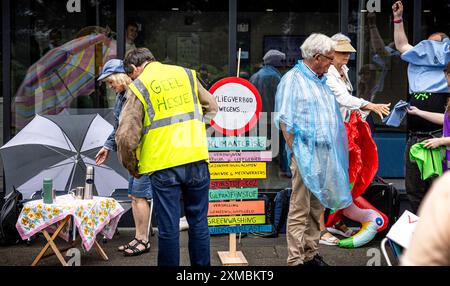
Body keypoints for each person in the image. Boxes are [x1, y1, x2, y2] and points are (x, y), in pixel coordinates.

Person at [116, 47, 218, 266]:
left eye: (131, 74)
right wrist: (197, 131)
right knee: (199, 223)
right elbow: (212, 107)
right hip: (196, 158)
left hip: (164, 165)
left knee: (169, 228)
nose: (133, 78)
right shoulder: (186, 74)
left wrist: (132, 166)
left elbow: (126, 137)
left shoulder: (139, 86)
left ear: (134, 68)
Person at [275, 33, 352, 266]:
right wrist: (296, 151)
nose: (332, 63)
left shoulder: (321, 80)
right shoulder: (293, 79)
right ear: (317, 57)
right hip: (305, 151)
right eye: (329, 58)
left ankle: (310, 253)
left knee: (317, 205)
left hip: (325, 150)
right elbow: (285, 120)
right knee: (300, 207)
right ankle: (295, 259)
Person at [321, 34, 391, 245]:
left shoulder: (344, 72)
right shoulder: (328, 75)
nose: (347, 57)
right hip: (331, 133)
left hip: (344, 133)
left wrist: (362, 115)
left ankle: (335, 222)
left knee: (347, 178)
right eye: (342, 52)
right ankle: (321, 229)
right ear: (331, 54)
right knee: (330, 182)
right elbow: (343, 99)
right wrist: (369, 105)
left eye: (348, 53)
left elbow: (347, 106)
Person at [392, 0, 450, 213]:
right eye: (425, 45)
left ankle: (437, 236)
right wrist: (398, 18)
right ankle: (416, 235)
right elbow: (402, 46)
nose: (427, 51)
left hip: (437, 139)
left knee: (437, 191)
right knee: (414, 190)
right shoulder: (417, 64)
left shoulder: (447, 73)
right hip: (414, 138)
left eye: (434, 45)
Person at [95, 59, 153, 256]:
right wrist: (107, 146)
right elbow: (118, 127)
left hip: (145, 153)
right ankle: (138, 237)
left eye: (111, 82)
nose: (110, 87)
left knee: (140, 196)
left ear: (121, 76)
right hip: (132, 156)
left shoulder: (138, 93)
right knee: (134, 196)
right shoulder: (122, 96)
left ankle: (143, 240)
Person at [249, 49, 291, 178]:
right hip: (273, 119)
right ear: (277, 62)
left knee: (260, 148)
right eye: (282, 61)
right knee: (279, 148)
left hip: (258, 119)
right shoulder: (275, 77)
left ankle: (259, 172)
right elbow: (281, 100)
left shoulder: (254, 76)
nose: (285, 64)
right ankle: (284, 171)